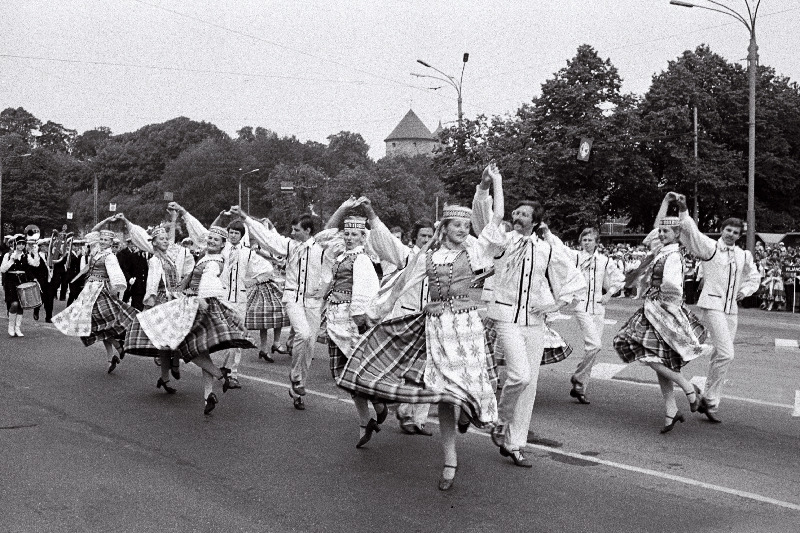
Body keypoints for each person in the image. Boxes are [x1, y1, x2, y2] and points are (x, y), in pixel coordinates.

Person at [338, 165, 503, 491]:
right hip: (439, 328)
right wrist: (381, 308)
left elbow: (495, 219)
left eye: (466, 225)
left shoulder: (475, 250)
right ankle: (450, 457)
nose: (462, 229)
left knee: (472, 389)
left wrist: (493, 183)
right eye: (457, 224)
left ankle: (468, 412)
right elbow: (404, 283)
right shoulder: (429, 256)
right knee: (443, 396)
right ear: (445, 226)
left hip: (469, 327)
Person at [365, 179, 493, 436]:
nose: (427, 238)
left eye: (428, 234)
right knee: (420, 370)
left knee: (448, 370)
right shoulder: (414, 256)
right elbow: (397, 269)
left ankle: (423, 417)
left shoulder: (465, 254)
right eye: (422, 236)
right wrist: (372, 216)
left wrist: (485, 189)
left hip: (451, 319)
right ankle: (401, 409)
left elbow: (487, 236)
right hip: (416, 317)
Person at [487, 179, 585, 468]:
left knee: (530, 385)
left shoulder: (546, 249)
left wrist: (554, 304)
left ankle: (515, 444)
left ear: (535, 221)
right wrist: (493, 185)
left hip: (534, 321)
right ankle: (501, 421)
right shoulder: (502, 242)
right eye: (515, 213)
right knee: (520, 377)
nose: (517, 218)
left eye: (524, 214)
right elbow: (487, 217)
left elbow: (572, 279)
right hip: (506, 317)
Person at [125, 224, 252, 414]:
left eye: (216, 240)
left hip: (200, 306)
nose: (211, 241)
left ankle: (219, 376)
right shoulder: (205, 256)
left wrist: (201, 296)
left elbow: (209, 278)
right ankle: (208, 394)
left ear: (223, 244)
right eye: (210, 238)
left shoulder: (214, 261)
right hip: (193, 302)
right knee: (202, 350)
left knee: (188, 349)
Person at [614, 205, 713, 433]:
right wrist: (666, 203)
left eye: (666, 233)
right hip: (653, 308)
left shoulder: (673, 255)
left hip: (661, 310)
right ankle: (671, 410)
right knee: (659, 361)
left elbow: (672, 285)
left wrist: (669, 310)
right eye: (661, 232)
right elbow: (654, 228)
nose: (660, 235)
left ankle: (688, 388)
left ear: (677, 235)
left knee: (648, 357)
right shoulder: (662, 250)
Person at [231, 206, 338, 410]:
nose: (292, 233)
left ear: (307, 230)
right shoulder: (290, 246)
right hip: (292, 299)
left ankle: (298, 386)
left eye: (296, 230)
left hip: (313, 303)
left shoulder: (321, 249)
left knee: (309, 345)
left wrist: (324, 289)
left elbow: (330, 272)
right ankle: (295, 376)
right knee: (304, 335)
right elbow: (268, 239)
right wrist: (245, 217)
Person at [673, 193, 760, 423]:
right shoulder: (711, 248)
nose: (731, 234)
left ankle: (709, 400)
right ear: (722, 230)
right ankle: (710, 400)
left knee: (721, 355)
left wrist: (745, 291)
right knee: (727, 353)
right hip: (712, 305)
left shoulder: (743, 255)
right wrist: (683, 210)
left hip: (731, 308)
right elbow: (693, 233)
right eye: (728, 230)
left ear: (740, 236)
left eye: (735, 232)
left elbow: (754, 277)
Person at [324, 211, 384, 447]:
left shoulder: (361, 259)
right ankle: (365, 418)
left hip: (350, 320)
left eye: (355, 234)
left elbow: (366, 288)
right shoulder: (341, 257)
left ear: (363, 237)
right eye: (347, 233)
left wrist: (358, 315)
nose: (349, 238)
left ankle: (376, 404)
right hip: (334, 317)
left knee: (357, 370)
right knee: (344, 375)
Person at [52, 218, 137, 373]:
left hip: (100, 291)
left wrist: (115, 292)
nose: (103, 242)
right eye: (102, 239)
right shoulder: (96, 252)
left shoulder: (110, 256)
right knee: (95, 325)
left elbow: (116, 277)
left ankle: (117, 347)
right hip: (89, 290)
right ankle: (112, 355)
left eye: (106, 240)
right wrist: (107, 220)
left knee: (97, 323)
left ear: (111, 243)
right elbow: (92, 232)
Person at [550, 227, 624, 404]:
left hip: (598, 307)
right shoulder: (576, 257)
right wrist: (548, 233)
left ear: (597, 242)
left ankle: (580, 386)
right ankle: (578, 377)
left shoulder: (605, 261)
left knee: (593, 349)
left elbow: (619, 279)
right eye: (584, 240)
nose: (586, 243)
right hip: (581, 305)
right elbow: (559, 248)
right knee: (595, 344)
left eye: (590, 240)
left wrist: (609, 294)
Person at [1, 235, 32, 336]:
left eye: (23, 244)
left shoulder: (26, 256)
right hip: (11, 282)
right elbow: (2, 269)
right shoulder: (8, 255)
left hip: (22, 282)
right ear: (15, 244)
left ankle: (17, 328)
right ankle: (11, 326)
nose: (21, 246)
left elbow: (35, 264)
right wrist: (11, 260)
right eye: (19, 244)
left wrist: (35, 253)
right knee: (14, 304)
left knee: (20, 305)